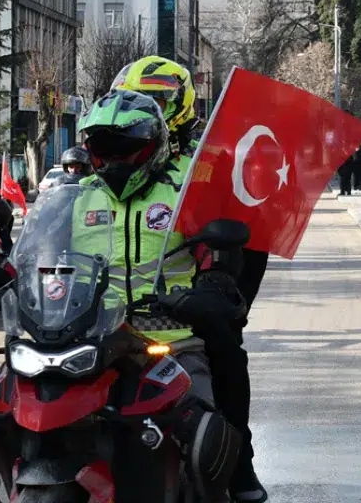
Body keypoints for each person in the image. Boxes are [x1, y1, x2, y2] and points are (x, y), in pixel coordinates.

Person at [75, 90, 241, 500]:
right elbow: (46, 258)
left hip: (172, 342)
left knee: (202, 436)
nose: (114, 157)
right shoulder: (78, 197)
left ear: (153, 145)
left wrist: (212, 285)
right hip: (96, 342)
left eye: (125, 147)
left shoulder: (186, 191)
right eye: (102, 147)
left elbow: (219, 255)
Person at [114, 55, 266, 502]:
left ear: (178, 105)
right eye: (138, 99)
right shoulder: (100, 165)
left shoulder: (207, 166)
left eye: (157, 99)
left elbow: (241, 236)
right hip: (107, 311)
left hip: (184, 307)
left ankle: (238, 461)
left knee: (225, 354)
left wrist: (220, 289)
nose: (147, 108)